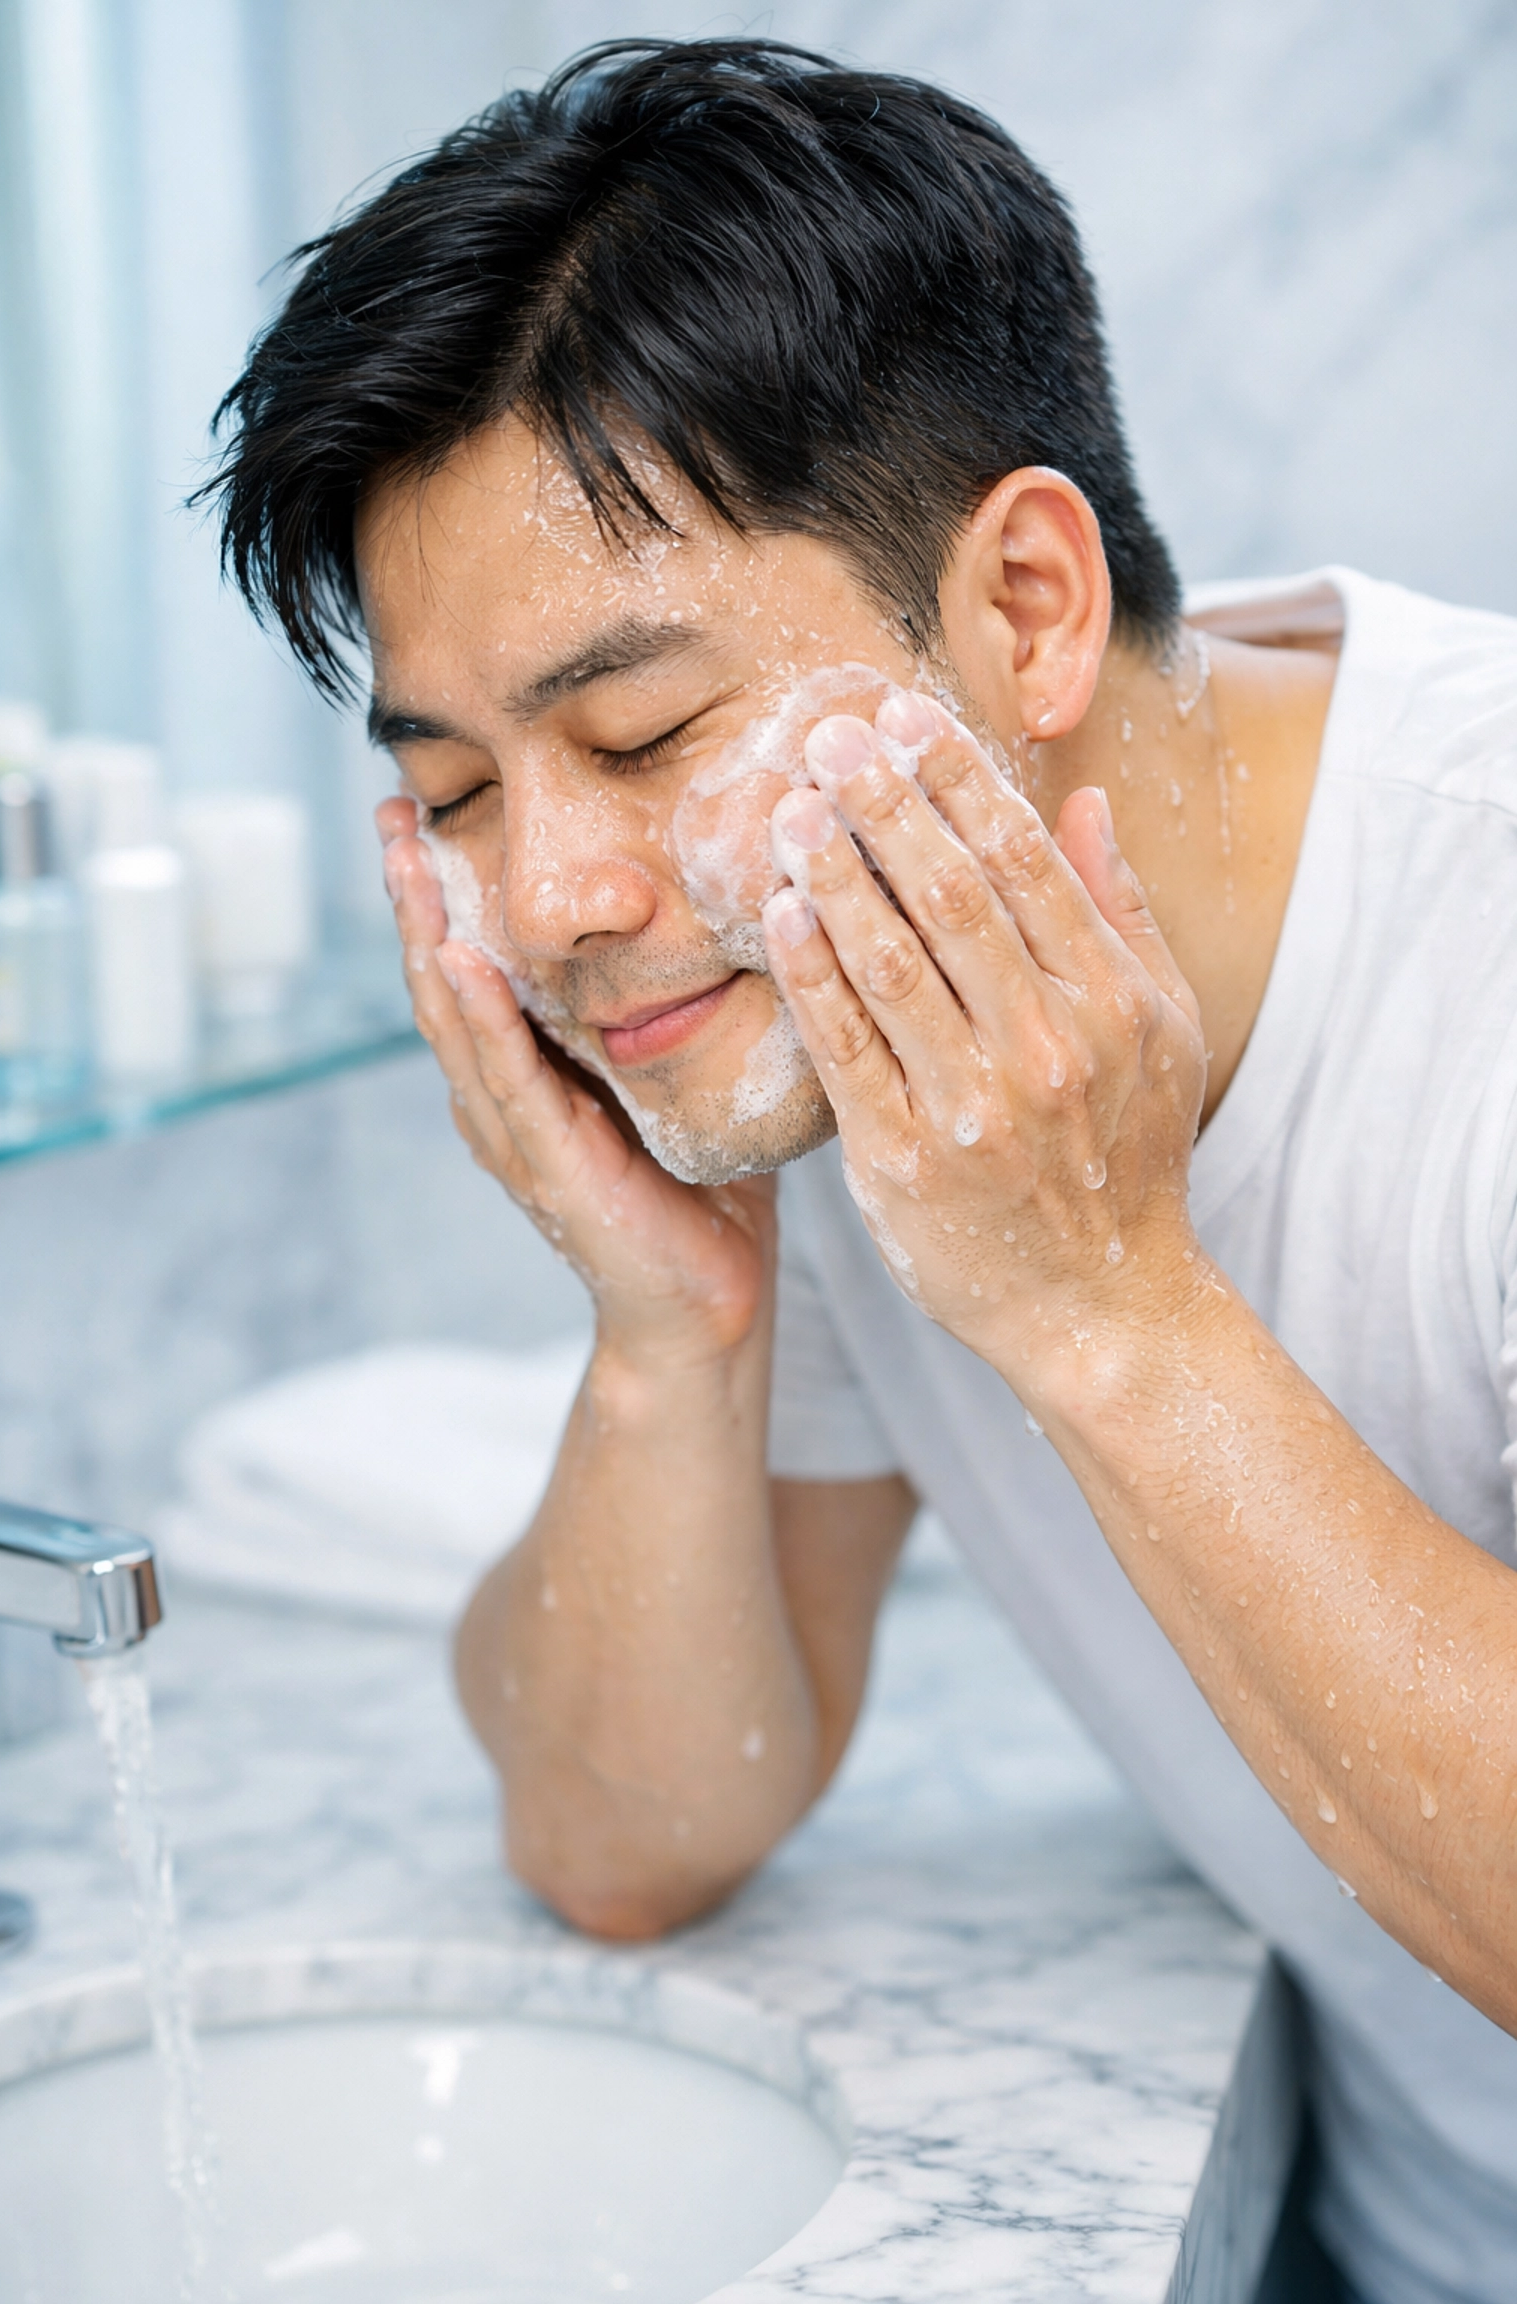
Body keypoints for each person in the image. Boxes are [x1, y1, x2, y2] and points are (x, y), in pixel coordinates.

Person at [203, 40, 1517, 2304]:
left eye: (636, 738)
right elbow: (628, 1837)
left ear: (1022, 608)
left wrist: (1108, 1307)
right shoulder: (856, 1005)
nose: (553, 906)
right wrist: (666, 1334)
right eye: (459, 792)